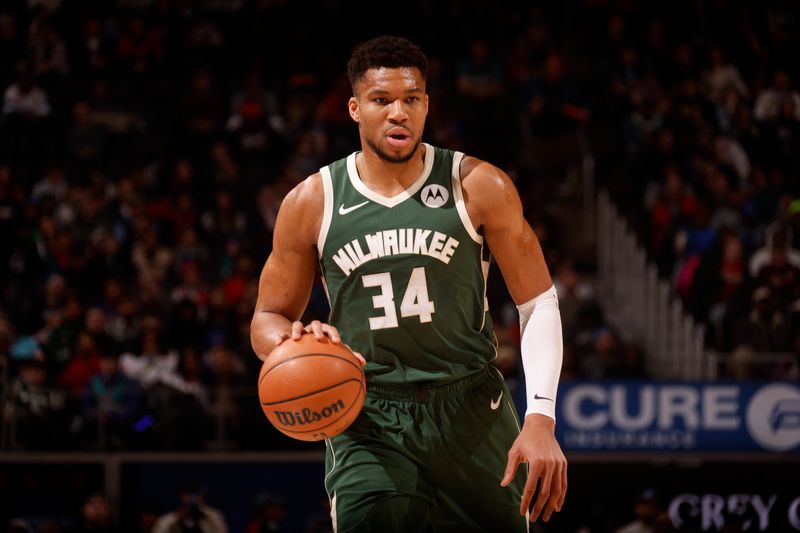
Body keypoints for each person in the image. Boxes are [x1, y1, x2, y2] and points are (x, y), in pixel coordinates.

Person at [251, 35, 567, 531]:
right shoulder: (312, 201)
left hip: (470, 404)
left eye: (411, 99)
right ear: (355, 109)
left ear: (426, 104)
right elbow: (268, 319)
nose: (398, 112)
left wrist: (541, 417)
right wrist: (296, 338)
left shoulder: (480, 185)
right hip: (369, 411)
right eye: (381, 101)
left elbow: (538, 303)